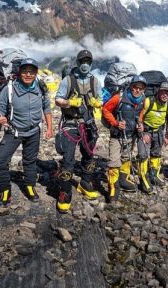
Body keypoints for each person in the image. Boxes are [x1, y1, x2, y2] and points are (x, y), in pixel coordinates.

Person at [0, 58, 53, 208]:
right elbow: (0, 107)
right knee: (0, 160)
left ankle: (30, 187)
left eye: (31, 72)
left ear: (36, 73)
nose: (28, 74)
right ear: (19, 72)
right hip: (14, 131)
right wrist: (0, 117)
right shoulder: (10, 88)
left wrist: (50, 128)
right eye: (25, 71)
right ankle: (4, 191)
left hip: (34, 131)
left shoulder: (40, 87)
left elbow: (46, 107)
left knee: (30, 161)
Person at [54, 49, 103, 213]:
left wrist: (98, 103)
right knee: (68, 159)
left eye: (88, 62)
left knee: (89, 155)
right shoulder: (68, 80)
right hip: (70, 123)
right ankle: (65, 191)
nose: (85, 65)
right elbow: (57, 100)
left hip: (88, 123)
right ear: (77, 63)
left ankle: (85, 182)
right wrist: (69, 103)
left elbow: (101, 99)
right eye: (83, 62)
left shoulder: (95, 82)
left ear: (91, 64)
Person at [102, 75, 147, 202]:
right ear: (130, 86)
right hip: (117, 135)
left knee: (126, 157)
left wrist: (140, 124)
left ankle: (123, 180)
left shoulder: (143, 100)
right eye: (135, 87)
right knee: (113, 161)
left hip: (131, 135)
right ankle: (113, 187)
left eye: (141, 88)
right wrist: (116, 123)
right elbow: (105, 110)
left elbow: (141, 114)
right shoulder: (119, 97)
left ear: (143, 90)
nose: (137, 90)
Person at [138, 81, 168, 193]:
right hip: (146, 131)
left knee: (156, 153)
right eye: (163, 92)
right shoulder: (149, 101)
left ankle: (153, 175)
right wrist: (142, 132)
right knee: (143, 155)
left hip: (158, 132)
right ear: (158, 92)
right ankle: (143, 178)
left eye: (167, 93)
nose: (165, 95)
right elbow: (139, 117)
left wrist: (167, 137)